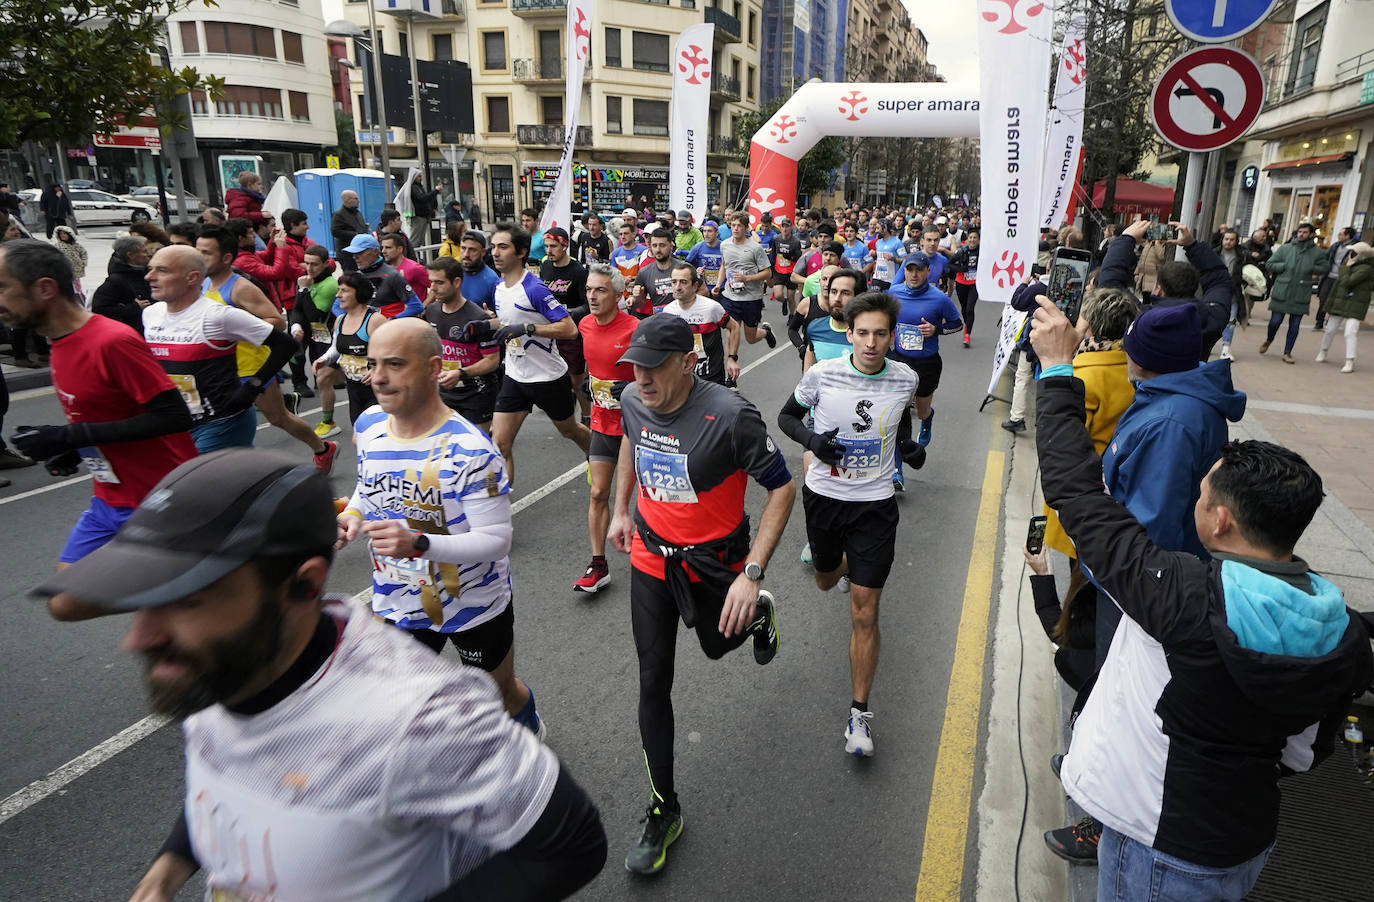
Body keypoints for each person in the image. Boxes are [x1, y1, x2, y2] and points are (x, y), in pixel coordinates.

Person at [34, 448, 608, 901]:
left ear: (303, 586)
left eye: (189, 601)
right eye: (148, 600)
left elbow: (572, 842)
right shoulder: (221, 665)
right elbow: (226, 771)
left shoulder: (421, 716)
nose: (139, 637)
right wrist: (167, 871)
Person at [1027, 295, 1372, 900]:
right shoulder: (1341, 626)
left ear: (1219, 522)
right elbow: (1305, 754)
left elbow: (1076, 493)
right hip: (1238, 837)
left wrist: (1057, 371)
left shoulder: (1180, 602)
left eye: (1201, 490)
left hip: (1161, 849)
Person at [608, 314, 791, 874]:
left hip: (718, 564)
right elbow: (630, 446)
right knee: (652, 677)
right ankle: (664, 809)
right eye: (635, 365)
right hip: (651, 558)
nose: (641, 377)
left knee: (715, 645)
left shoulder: (733, 416)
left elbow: (782, 490)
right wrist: (621, 510)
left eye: (655, 366)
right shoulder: (632, 400)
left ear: (688, 363)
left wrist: (753, 573)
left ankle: (757, 616)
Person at [337, 317, 547, 727]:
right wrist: (353, 514)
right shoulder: (370, 426)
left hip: (472, 604)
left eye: (395, 364)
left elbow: (495, 540)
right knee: (401, 704)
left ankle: (527, 733)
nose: (377, 378)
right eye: (373, 364)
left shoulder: (472, 450)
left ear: (434, 369)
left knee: (497, 695)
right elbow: (369, 484)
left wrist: (417, 544)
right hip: (397, 600)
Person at [777, 291, 926, 756]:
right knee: (825, 580)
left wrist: (908, 447)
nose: (871, 343)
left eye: (881, 333)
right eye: (863, 333)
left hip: (875, 504)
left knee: (865, 611)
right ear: (850, 331)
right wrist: (812, 441)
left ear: (890, 335)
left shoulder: (905, 378)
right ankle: (842, 567)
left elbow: (897, 424)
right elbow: (785, 416)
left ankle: (859, 714)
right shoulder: (823, 373)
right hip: (825, 497)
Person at [0, 238, 193, 563]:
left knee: (168, 606)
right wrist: (74, 449)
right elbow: (109, 412)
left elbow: (174, 416)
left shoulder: (111, 341)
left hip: (159, 497)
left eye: (3, 287)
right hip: (109, 498)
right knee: (66, 600)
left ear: (45, 289)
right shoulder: (60, 342)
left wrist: (70, 436)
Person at [198, 225, 338, 468]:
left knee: (277, 418)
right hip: (220, 368)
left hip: (252, 366)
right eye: (197, 251)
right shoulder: (202, 284)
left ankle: (322, 448)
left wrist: (235, 327)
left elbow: (276, 320)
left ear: (226, 257)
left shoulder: (239, 287)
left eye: (206, 253)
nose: (199, 258)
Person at [140, 245, 297, 454]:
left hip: (222, 421)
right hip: (178, 421)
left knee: (195, 481)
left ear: (192, 278)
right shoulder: (151, 314)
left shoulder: (218, 316)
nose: (149, 276)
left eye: (163, 270)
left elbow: (285, 344)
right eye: (150, 269)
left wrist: (253, 386)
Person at [475, 225, 590, 487]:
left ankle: (598, 455)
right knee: (499, 443)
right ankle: (497, 508)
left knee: (569, 430)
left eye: (503, 247)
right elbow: (507, 322)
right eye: (494, 247)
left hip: (548, 378)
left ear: (522, 252)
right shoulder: (498, 287)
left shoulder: (535, 288)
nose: (495, 253)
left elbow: (569, 329)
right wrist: (484, 325)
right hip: (515, 377)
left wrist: (529, 329)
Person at [1039, 287, 1140, 563]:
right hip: (1119, 490)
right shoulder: (1134, 368)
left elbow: (1062, 441)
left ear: (1090, 327)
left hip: (1081, 491)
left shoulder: (1080, 376)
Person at [574, 263, 639, 593]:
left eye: (600, 290)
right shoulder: (585, 325)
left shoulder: (635, 328)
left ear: (617, 294)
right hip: (602, 422)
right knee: (598, 492)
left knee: (641, 497)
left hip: (635, 429)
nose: (592, 296)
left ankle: (658, 556)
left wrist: (631, 389)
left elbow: (656, 376)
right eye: (589, 290)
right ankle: (598, 564)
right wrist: (588, 383)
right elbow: (593, 364)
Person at [1100, 219, 1232, 359]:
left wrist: (1125, 239)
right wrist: (1193, 245)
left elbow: (1110, 286)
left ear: (1160, 290)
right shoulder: (1213, 317)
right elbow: (1219, 279)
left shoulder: (1142, 317)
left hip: (1151, 380)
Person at [886, 252, 962, 489]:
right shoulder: (894, 293)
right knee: (897, 417)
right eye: (909, 269)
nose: (914, 274)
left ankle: (928, 419)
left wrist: (936, 330)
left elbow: (957, 324)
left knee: (920, 411)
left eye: (919, 269)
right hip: (899, 361)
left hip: (927, 364)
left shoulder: (939, 299)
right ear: (904, 271)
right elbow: (884, 317)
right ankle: (896, 471)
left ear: (928, 271)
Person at [424, 255, 501, 431]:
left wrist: (460, 373)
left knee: (476, 450)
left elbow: (492, 361)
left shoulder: (478, 318)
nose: (433, 288)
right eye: (431, 282)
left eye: (439, 282)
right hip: (445, 393)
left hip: (477, 393)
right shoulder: (432, 311)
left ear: (457, 282)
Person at [313, 271, 383, 426]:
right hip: (353, 387)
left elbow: (393, 352)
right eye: (338, 290)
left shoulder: (375, 320)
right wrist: (324, 359)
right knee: (358, 431)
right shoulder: (340, 320)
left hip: (378, 388)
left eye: (344, 290)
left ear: (359, 292)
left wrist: (377, 369)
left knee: (376, 432)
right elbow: (337, 348)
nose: (338, 295)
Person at [288, 245, 344, 437]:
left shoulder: (329, 285)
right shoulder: (305, 280)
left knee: (325, 377)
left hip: (331, 336)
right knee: (321, 377)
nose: (309, 269)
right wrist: (296, 326)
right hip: (315, 337)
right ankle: (329, 420)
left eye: (314, 265)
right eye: (307, 264)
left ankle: (328, 421)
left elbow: (314, 314)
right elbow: (297, 310)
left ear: (325, 264)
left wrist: (304, 291)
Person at [717, 211, 778, 380]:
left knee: (750, 338)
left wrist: (747, 278)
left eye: (739, 226)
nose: (735, 228)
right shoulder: (725, 245)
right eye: (733, 225)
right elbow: (724, 265)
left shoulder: (755, 248)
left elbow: (767, 273)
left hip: (751, 299)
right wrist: (718, 284)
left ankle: (765, 332)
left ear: (745, 228)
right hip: (730, 297)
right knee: (731, 331)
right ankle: (731, 375)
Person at [539, 227, 591, 423]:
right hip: (550, 330)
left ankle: (586, 415)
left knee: (577, 379)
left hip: (572, 331)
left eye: (553, 246)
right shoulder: (545, 267)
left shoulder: (578, 271)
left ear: (565, 246)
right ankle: (567, 410)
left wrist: (569, 313)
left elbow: (588, 305)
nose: (549, 250)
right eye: (546, 246)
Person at [660, 260, 738, 386]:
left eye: (683, 282)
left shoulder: (711, 307)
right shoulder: (668, 311)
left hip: (711, 377)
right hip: (683, 377)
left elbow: (734, 327)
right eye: (674, 282)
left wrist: (732, 358)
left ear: (695, 286)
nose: (677, 287)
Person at [1262, 222, 1327, 363]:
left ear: (1310, 234)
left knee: (1295, 325)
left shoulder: (1317, 252)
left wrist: (1312, 268)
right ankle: (1269, 339)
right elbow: (1269, 264)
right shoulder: (1286, 248)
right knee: (1275, 321)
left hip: (1301, 293)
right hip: (1282, 290)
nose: (1301, 234)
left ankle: (1287, 352)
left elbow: (1324, 268)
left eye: (1304, 232)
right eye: (1300, 232)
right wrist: (1284, 266)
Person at [1315, 240, 1374, 373]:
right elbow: (1337, 287)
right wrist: (1329, 306)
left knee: (1350, 332)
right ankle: (1323, 351)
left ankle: (1349, 361)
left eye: (1353, 252)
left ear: (1360, 255)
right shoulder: (1348, 265)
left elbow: (1347, 282)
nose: (1349, 254)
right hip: (1341, 301)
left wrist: (1346, 267)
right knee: (1330, 329)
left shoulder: (1366, 269)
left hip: (1356, 304)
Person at [341, 234, 422, 319]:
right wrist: (344, 319)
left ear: (375, 251)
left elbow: (416, 306)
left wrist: (391, 320)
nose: (355, 257)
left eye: (359, 253)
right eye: (353, 253)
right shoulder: (356, 276)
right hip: (364, 328)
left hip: (389, 329)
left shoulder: (392, 275)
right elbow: (337, 305)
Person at [90, 235, 154, 334]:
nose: (148, 254)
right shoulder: (116, 280)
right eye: (144, 251)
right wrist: (133, 308)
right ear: (131, 255)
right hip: (134, 333)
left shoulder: (149, 271)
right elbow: (100, 309)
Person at [1314, 226, 1356, 331]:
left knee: (1335, 301)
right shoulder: (1335, 246)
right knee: (1323, 298)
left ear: (1348, 236)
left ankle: (1329, 324)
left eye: (1341, 234)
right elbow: (1325, 257)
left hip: (1341, 278)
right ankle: (1319, 322)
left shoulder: (1354, 248)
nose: (1339, 236)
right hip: (1328, 276)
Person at [631, 228, 678, 317]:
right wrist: (637, 297)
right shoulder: (644, 272)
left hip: (681, 321)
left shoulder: (683, 268)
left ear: (671, 246)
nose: (658, 249)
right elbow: (640, 304)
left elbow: (703, 291)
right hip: (658, 320)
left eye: (662, 245)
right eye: (654, 245)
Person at [948, 228, 980, 347]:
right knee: (964, 308)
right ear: (967, 240)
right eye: (970, 238)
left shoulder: (981, 252)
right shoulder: (961, 251)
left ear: (978, 239)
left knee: (970, 309)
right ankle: (968, 325)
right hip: (961, 283)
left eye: (975, 238)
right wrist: (959, 269)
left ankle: (967, 334)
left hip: (974, 284)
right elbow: (949, 264)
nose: (972, 240)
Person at [770, 215, 805, 314]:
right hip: (779, 270)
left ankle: (791, 315)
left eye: (787, 226)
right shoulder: (776, 239)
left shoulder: (795, 241)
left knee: (791, 297)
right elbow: (773, 255)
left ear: (791, 228)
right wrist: (771, 270)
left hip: (791, 272)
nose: (785, 229)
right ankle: (783, 301)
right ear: (781, 227)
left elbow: (798, 258)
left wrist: (789, 256)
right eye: (783, 226)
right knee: (777, 295)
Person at [381, 232, 431, 301]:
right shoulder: (385, 269)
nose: (383, 251)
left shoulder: (414, 268)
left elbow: (436, 287)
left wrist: (423, 306)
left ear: (400, 249)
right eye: (382, 247)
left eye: (388, 248)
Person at [459, 231, 501, 311]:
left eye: (472, 250)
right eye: (463, 248)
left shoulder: (492, 280)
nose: (466, 254)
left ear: (483, 252)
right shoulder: (451, 273)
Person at [612, 220, 649, 307]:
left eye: (626, 233)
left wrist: (636, 280)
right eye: (621, 234)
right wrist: (624, 280)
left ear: (633, 234)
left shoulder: (643, 251)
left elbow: (648, 273)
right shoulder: (616, 253)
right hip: (622, 296)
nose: (623, 236)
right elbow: (613, 275)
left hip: (639, 295)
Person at [330, 189, 369, 271]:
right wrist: (355, 234)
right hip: (347, 254)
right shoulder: (339, 214)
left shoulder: (357, 212)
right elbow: (335, 231)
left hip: (360, 250)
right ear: (347, 200)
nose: (358, 201)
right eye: (356, 198)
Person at [868, 219, 904, 292]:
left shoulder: (897, 242)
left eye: (878, 228)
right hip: (877, 277)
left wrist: (893, 258)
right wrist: (874, 254)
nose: (876, 231)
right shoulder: (878, 243)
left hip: (891, 279)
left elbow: (904, 259)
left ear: (885, 228)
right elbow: (879, 258)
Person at [51, 225, 87, 298]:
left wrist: (83, 262)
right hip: (64, 270)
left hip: (76, 269)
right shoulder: (58, 246)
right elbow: (54, 256)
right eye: (61, 234)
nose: (63, 235)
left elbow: (83, 253)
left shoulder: (77, 246)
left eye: (64, 234)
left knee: (77, 284)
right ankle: (68, 296)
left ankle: (78, 296)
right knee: (66, 284)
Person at [408, 170, 440, 249]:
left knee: (419, 239)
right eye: (419, 176)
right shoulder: (414, 188)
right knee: (416, 239)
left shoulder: (419, 187)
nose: (421, 178)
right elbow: (422, 198)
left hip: (423, 215)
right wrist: (435, 192)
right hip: (418, 215)